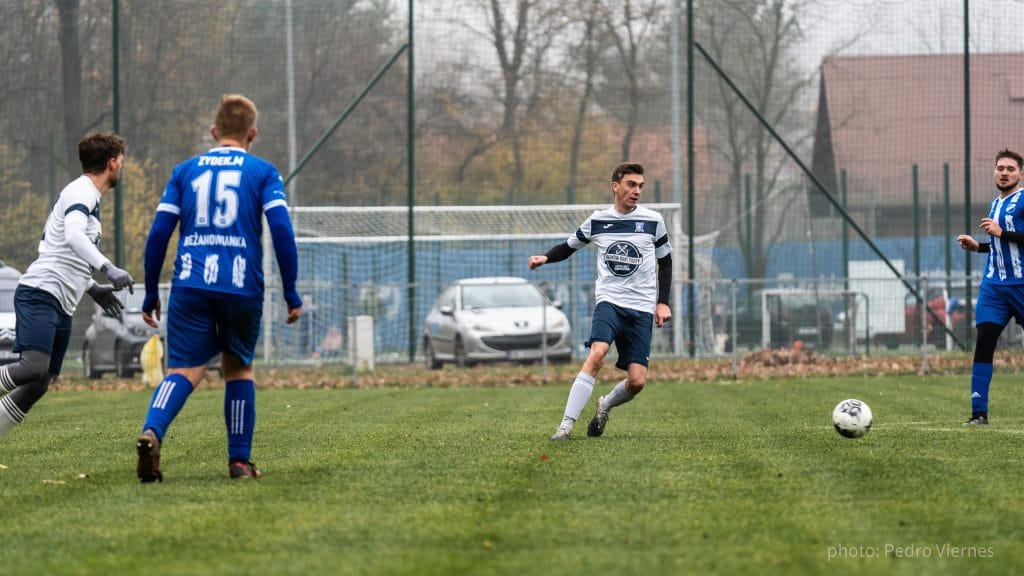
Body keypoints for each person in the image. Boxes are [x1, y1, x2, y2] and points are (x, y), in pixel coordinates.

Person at [136, 94, 302, 482]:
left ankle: (152, 431)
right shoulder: (263, 172)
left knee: (184, 370)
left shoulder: (184, 171)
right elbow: (281, 230)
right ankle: (239, 462)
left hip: (191, 282)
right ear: (252, 133)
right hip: (242, 285)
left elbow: (159, 232)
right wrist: (291, 292)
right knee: (238, 369)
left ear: (214, 132)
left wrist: (149, 291)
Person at [0, 132, 134, 437]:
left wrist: (92, 287)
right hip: (40, 293)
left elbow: (61, 249)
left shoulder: (85, 197)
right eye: (121, 162)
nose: (121, 168)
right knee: (32, 367)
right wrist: (108, 268)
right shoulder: (82, 191)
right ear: (112, 163)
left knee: (39, 381)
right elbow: (73, 238)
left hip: (60, 300)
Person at [529, 162, 672, 441]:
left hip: (641, 309)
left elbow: (665, 262)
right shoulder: (597, 221)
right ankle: (566, 426)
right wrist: (545, 257)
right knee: (597, 354)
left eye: (640, 186)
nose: (637, 191)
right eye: (631, 185)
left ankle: (605, 405)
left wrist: (662, 302)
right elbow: (568, 246)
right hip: (609, 303)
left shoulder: (653, 221)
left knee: (637, 381)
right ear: (615, 186)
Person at [956, 148, 1024, 426]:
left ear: (1021, 174)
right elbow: (1001, 246)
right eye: (1000, 168)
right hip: (994, 286)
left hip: (1022, 284)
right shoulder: (995, 204)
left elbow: (1008, 237)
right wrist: (979, 246)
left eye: (1010, 169)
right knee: (984, 341)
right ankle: (978, 413)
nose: (1004, 173)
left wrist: (1001, 232)